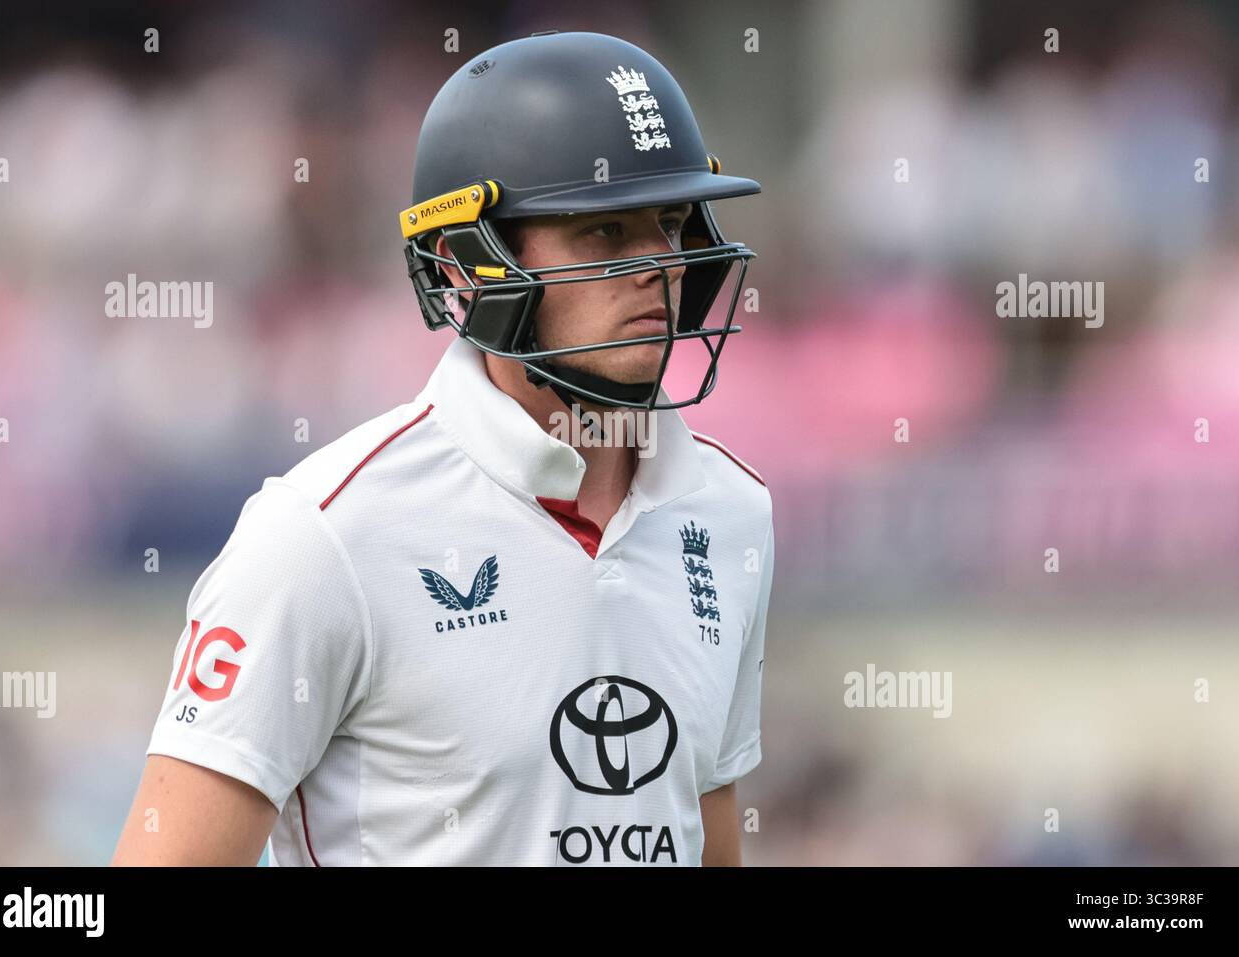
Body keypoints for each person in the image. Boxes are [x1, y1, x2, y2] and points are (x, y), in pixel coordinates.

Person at [114, 29, 773, 866]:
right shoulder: (321, 535)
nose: (660, 267)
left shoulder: (732, 513)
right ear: (467, 263)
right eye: (603, 234)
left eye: (671, 224)